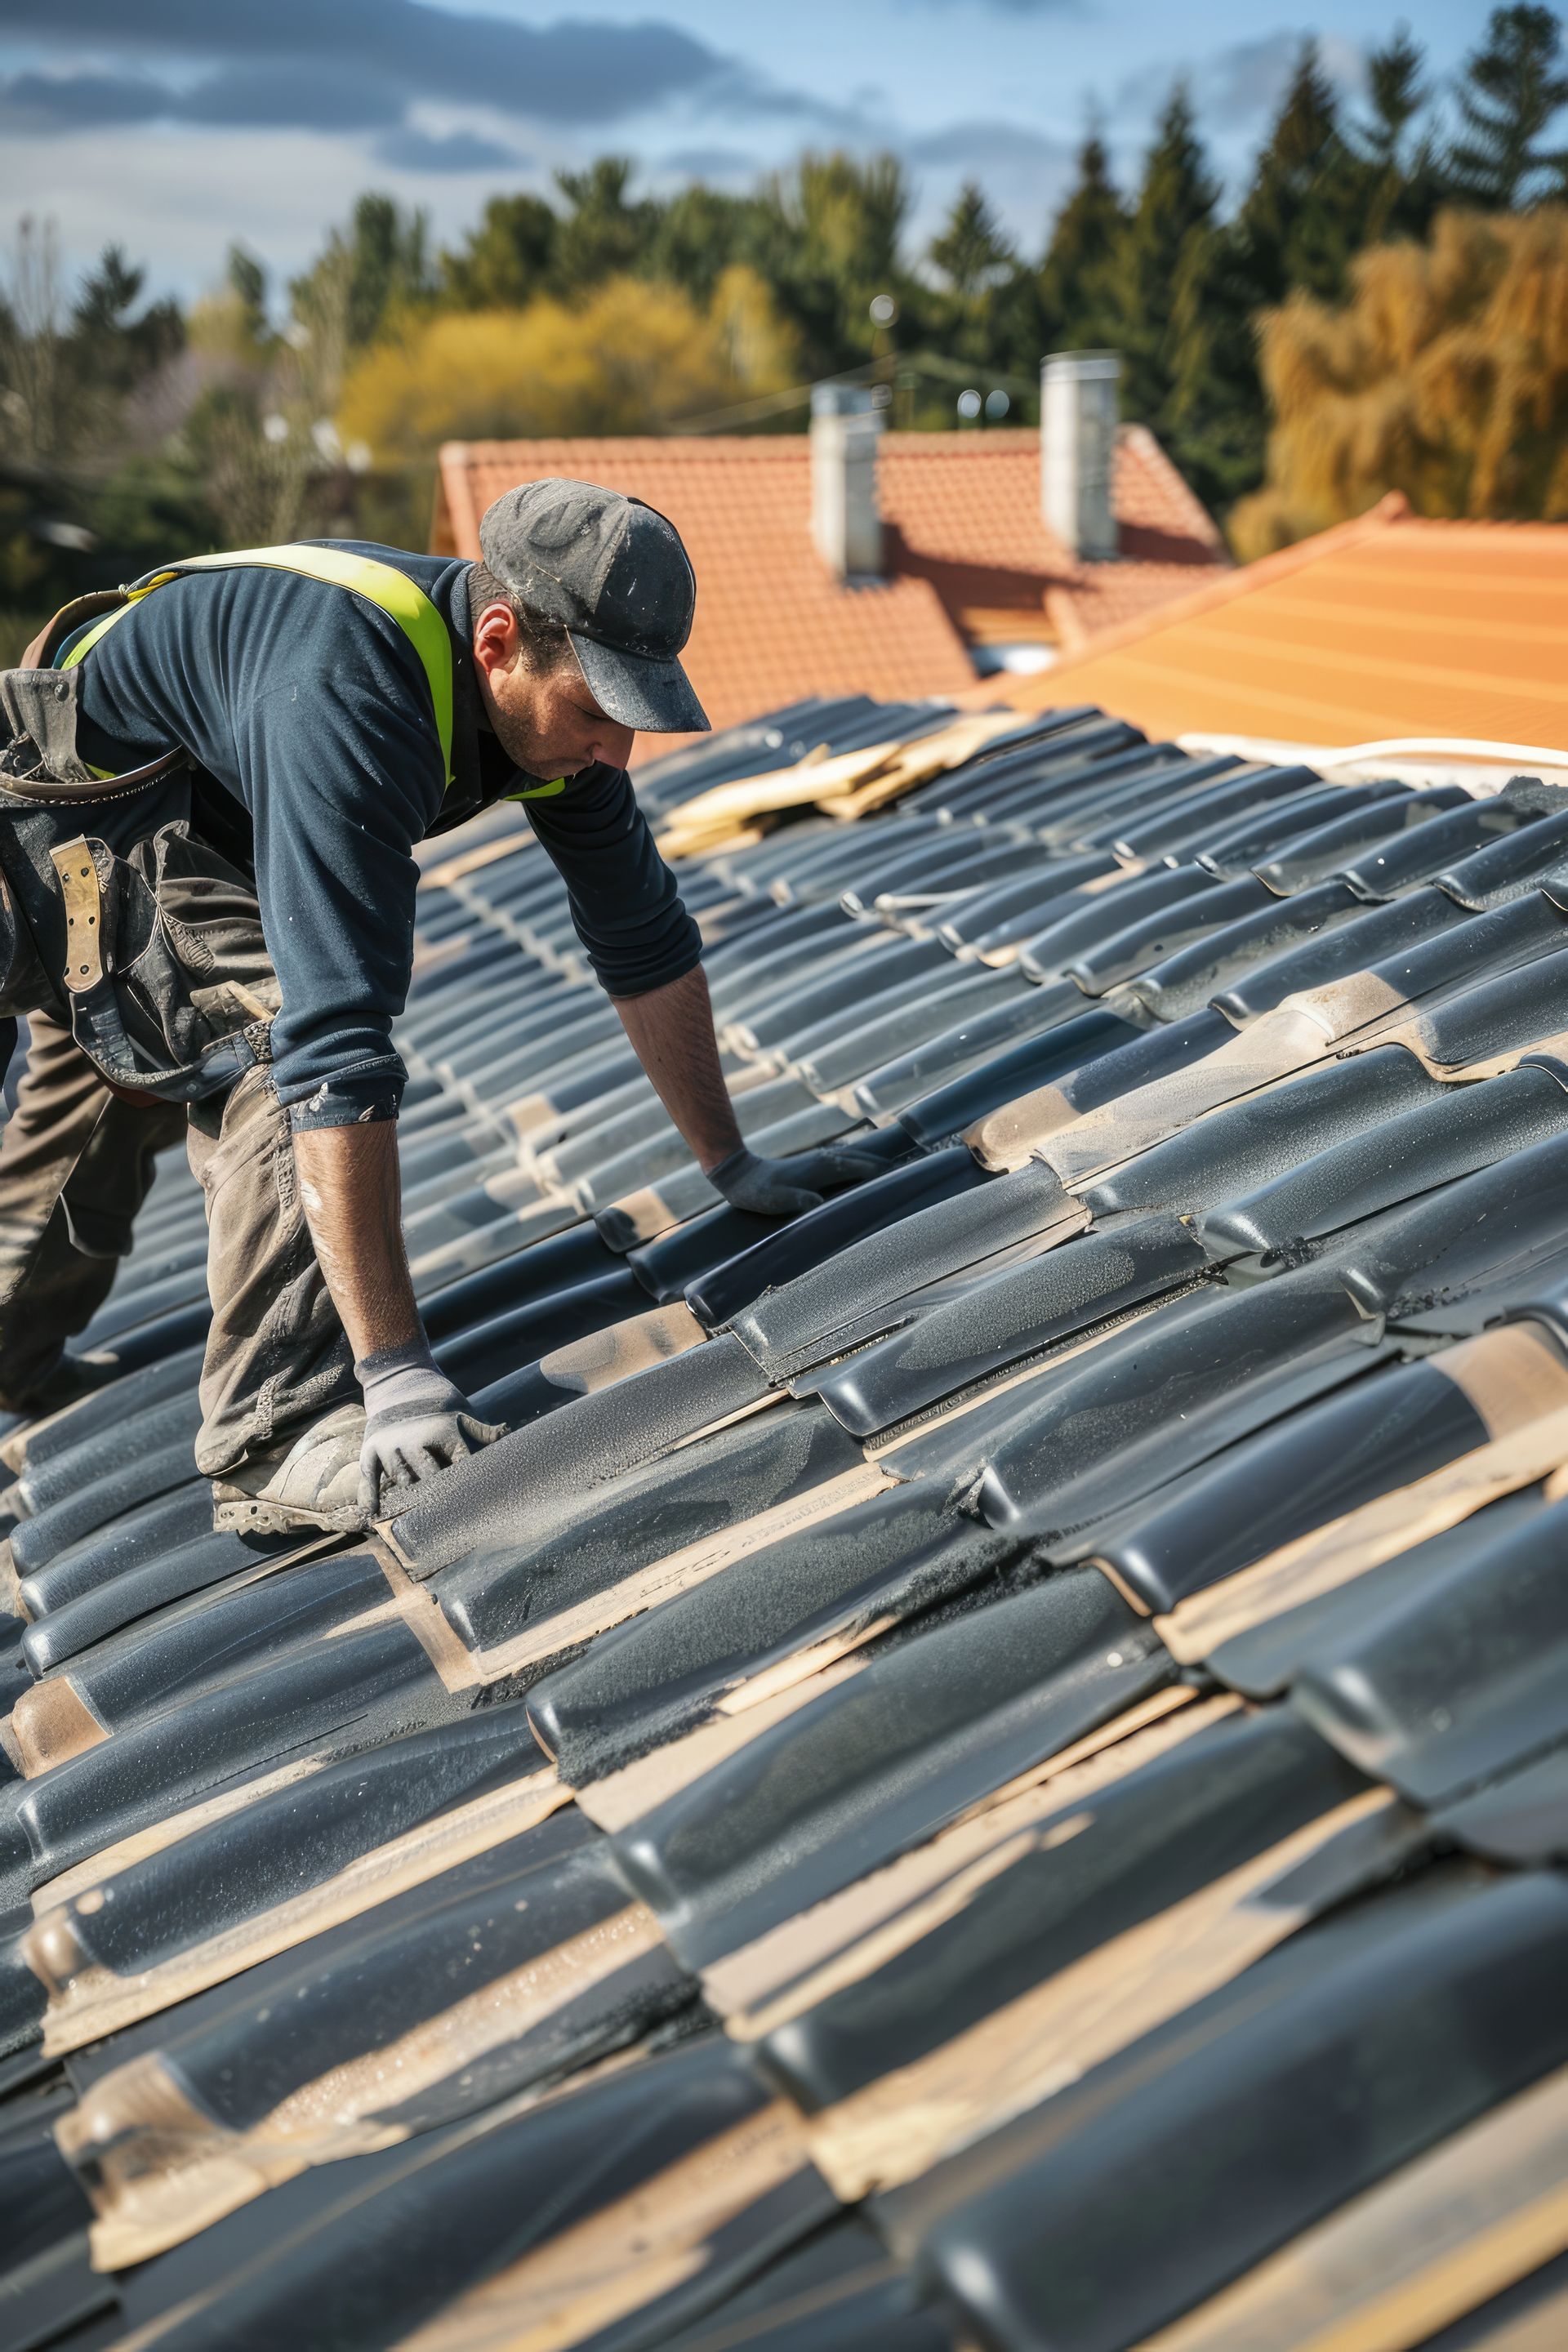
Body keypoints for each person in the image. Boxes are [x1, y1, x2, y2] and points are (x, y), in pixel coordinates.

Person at [0, 480, 875, 1533]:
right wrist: (399, 1375)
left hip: (170, 820)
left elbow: (643, 940)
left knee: (125, 1071)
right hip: (54, 824)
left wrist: (733, 1165)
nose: (616, 750)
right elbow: (329, 1048)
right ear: (499, 639)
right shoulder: (351, 696)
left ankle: (10, 1348)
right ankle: (275, 1430)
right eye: (599, 708)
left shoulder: (547, 727)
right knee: (263, 1035)